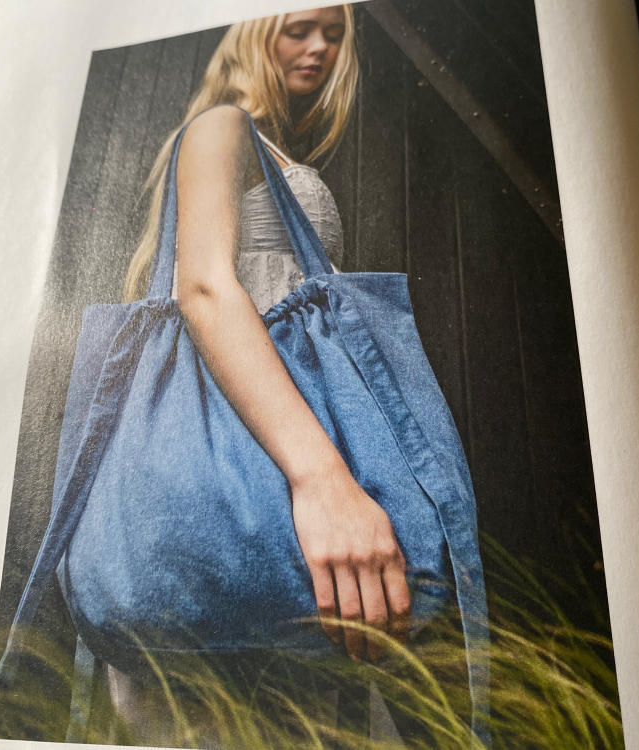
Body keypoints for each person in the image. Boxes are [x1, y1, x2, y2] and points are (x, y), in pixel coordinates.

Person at [107, 5, 413, 744]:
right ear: (251, 26)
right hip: (264, 449)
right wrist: (324, 478)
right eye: (298, 27)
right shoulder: (222, 126)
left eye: (334, 33)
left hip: (282, 441)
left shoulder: (263, 143)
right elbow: (206, 288)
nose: (319, 47)